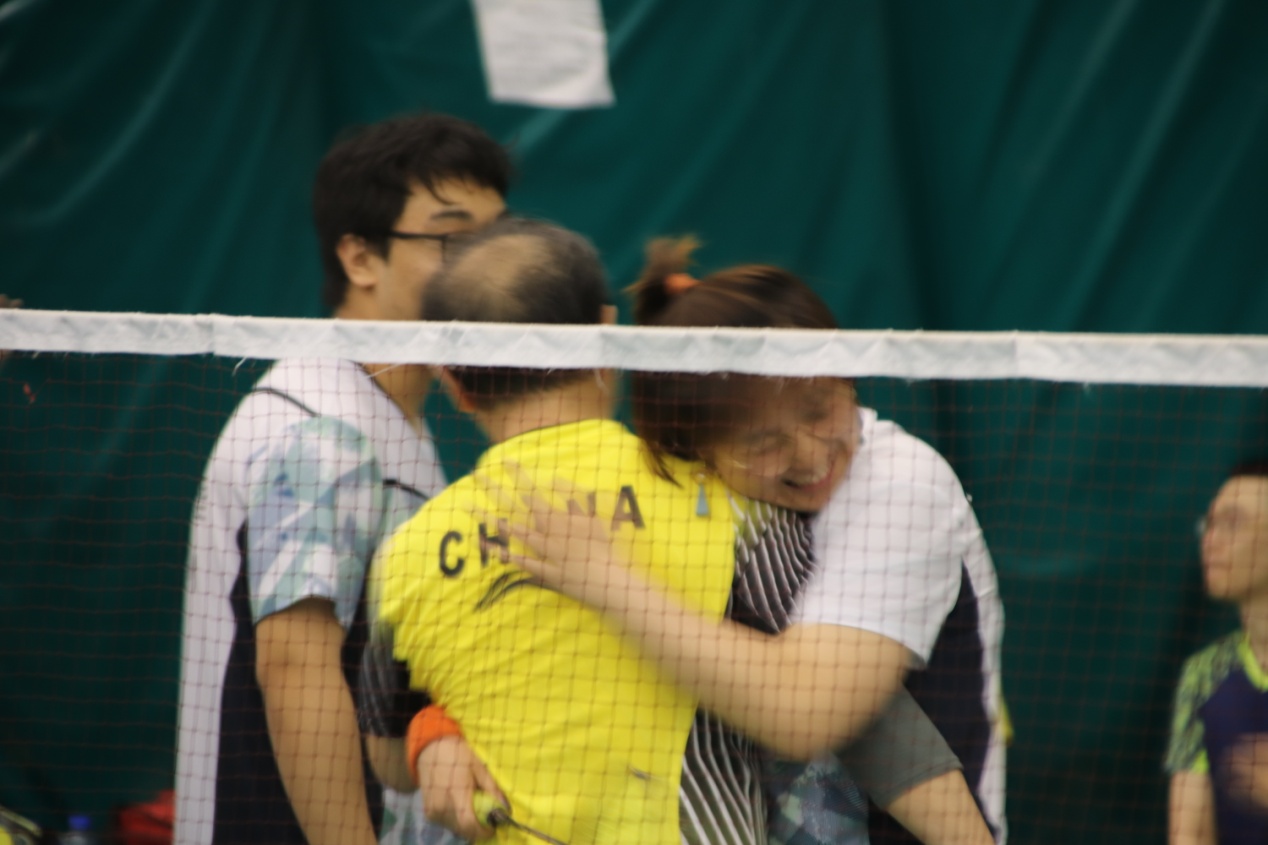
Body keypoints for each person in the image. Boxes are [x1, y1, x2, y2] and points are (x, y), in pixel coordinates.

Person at [494, 239, 1006, 844]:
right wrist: (435, 733)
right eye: (763, 444)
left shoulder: (902, 489)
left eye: (820, 410)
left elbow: (808, 711)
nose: (810, 456)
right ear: (695, 452)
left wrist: (607, 581)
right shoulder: (690, 506)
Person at [174, 112, 511, 845]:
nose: (488, 268)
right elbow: (295, 668)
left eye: (498, 239)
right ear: (360, 258)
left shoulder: (398, 422)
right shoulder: (321, 433)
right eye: (455, 240)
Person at [359, 216, 741, 844]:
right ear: (607, 333)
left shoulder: (405, 556)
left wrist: (433, 731)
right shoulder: (721, 490)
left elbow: (387, 761)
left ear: (453, 382)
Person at [1167, 460, 1268, 845]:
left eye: (1233, 523)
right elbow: (1188, 835)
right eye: (1209, 524)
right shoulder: (1204, 674)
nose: (1211, 540)